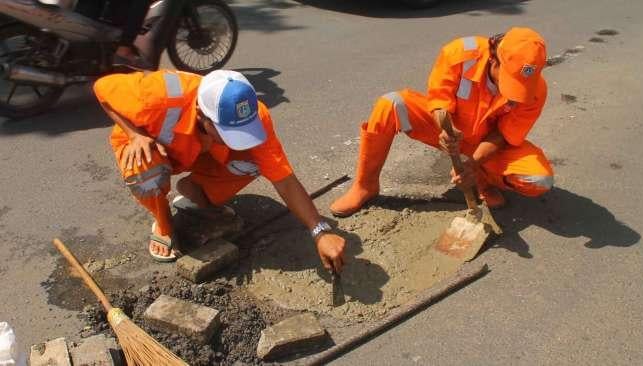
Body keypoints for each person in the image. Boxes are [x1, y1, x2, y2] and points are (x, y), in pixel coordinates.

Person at [93, 69, 346, 273]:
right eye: (229, 133)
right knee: (143, 168)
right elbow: (102, 88)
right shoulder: (156, 95)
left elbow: (283, 178)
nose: (237, 138)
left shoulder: (252, 113)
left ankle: (197, 191)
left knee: (255, 160)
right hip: (156, 148)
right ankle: (163, 222)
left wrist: (319, 231)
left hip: (200, 149)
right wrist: (134, 134)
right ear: (202, 116)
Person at [330, 27, 554, 217]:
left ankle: (482, 181)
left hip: (486, 146)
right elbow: (439, 98)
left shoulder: (535, 91)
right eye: (509, 79)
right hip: (448, 130)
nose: (514, 91)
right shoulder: (460, 53)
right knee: (391, 104)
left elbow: (505, 135)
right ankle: (365, 186)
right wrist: (444, 126)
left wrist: (471, 164)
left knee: (539, 180)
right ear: (494, 57)